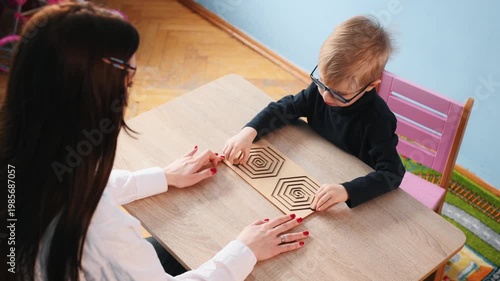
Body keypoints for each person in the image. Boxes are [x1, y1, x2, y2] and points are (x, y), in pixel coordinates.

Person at [0, 2, 309, 281]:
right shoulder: (100, 233)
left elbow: (70, 181)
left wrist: (163, 176)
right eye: (128, 84)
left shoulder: (23, 150)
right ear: (96, 101)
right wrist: (245, 250)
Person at [223, 15, 406, 211]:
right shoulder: (320, 92)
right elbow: (285, 108)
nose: (326, 96)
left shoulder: (378, 120)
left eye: (340, 94)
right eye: (321, 83)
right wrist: (248, 133)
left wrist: (347, 191)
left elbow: (392, 173)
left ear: (370, 87)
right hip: (314, 167)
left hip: (351, 184)